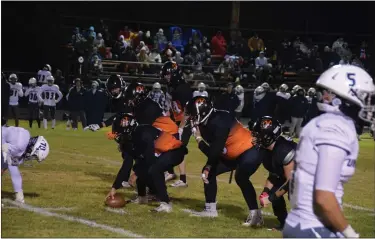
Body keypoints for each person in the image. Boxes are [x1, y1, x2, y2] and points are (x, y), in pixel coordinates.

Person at [283, 65, 375, 238]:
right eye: (364, 97)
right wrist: (350, 234)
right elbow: (324, 197)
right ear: (344, 98)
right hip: (314, 227)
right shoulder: (335, 127)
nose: (367, 104)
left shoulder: (324, 123)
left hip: (304, 224)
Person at [184, 96, 264, 227]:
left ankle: (256, 215)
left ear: (201, 112)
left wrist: (199, 141)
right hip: (232, 154)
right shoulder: (207, 122)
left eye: (193, 114)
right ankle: (210, 209)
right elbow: (214, 153)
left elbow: (215, 152)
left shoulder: (220, 121)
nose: (191, 118)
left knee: (241, 177)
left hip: (249, 151)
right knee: (208, 173)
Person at [252, 116, 296, 230]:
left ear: (268, 136)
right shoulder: (267, 150)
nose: (255, 138)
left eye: (258, 135)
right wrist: (266, 192)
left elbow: (291, 182)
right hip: (293, 176)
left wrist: (271, 198)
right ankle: (284, 224)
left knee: (294, 194)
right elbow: (275, 174)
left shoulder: (283, 150)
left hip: (310, 175)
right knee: (273, 191)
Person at [160, 61, 192, 187]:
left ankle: (181, 178)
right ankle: (171, 172)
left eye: (168, 74)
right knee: (167, 144)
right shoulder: (174, 87)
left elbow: (188, 111)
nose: (166, 77)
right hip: (177, 121)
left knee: (177, 149)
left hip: (186, 122)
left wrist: (181, 127)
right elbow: (175, 108)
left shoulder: (183, 88)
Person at [2, 120, 50, 203]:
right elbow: (3, 148)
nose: (31, 158)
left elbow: (13, 169)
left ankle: (19, 194)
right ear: (33, 148)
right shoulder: (20, 147)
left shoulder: (26, 135)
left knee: (10, 165)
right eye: (34, 155)